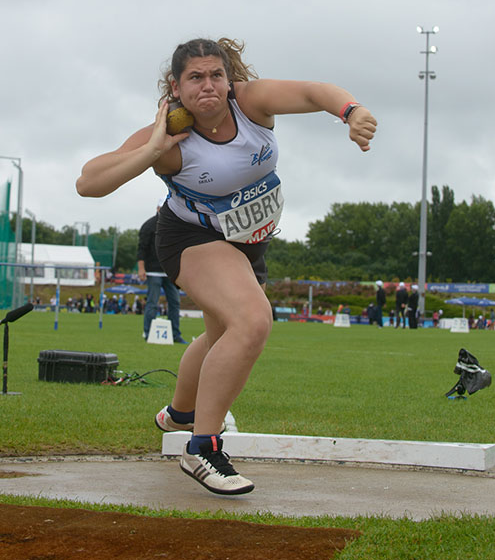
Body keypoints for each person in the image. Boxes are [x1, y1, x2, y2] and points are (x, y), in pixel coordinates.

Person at [76, 36, 377, 495]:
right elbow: (88, 183)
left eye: (216, 75)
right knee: (252, 321)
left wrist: (352, 112)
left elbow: (317, 92)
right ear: (176, 88)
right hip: (190, 239)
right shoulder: (171, 139)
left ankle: (178, 414)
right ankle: (203, 446)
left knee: (221, 334)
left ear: (228, 78)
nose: (209, 86)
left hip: (247, 243)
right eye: (195, 78)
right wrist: (153, 148)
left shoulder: (251, 102)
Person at [137, 204, 186, 343]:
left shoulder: (175, 225)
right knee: (152, 302)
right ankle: (148, 332)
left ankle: (175, 334)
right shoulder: (148, 226)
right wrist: (141, 268)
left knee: (175, 302)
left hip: (170, 271)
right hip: (153, 271)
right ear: (158, 208)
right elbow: (141, 248)